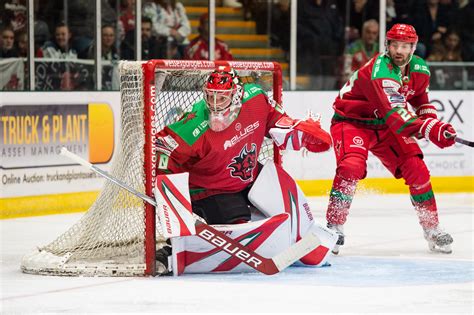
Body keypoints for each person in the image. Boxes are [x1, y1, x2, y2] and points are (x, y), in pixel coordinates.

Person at [154, 66, 336, 273]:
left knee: (282, 186)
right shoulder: (195, 126)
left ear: (237, 94)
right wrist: (172, 196)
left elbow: (274, 119)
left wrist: (294, 129)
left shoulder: (255, 99)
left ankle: (303, 231)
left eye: (221, 98)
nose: (214, 105)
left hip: (246, 172)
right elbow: (163, 149)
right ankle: (174, 252)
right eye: (210, 97)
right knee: (241, 226)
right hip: (211, 187)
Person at [325, 24, 457, 255]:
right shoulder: (381, 70)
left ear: (413, 48)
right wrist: (429, 129)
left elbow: (421, 101)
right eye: (394, 44)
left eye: (405, 46)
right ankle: (334, 226)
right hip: (352, 122)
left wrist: (432, 122)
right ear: (387, 45)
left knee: (417, 170)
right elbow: (396, 115)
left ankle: (432, 228)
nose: (399, 50)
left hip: (384, 126)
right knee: (351, 166)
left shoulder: (419, 69)